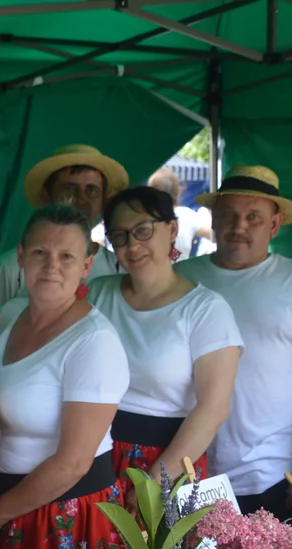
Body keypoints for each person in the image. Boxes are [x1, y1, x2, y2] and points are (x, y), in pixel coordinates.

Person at [179, 165, 292, 518]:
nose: (238, 226)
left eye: (253, 217)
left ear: (274, 224)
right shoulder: (180, 279)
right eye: (228, 214)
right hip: (182, 467)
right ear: (213, 218)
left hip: (270, 473)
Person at [0, 205, 129, 549]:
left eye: (66, 257)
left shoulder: (94, 341)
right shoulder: (11, 313)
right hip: (1, 506)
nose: (51, 266)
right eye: (41, 253)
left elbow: (73, 462)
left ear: (87, 264)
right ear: (21, 255)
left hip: (59, 516)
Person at [89, 186, 243, 495]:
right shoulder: (97, 293)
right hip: (92, 452)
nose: (132, 245)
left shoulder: (205, 310)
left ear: (171, 229)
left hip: (166, 459)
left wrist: (156, 479)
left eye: (143, 230)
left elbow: (213, 408)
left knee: (155, 544)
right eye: (119, 235)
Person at [0, 144, 128, 338]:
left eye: (92, 191)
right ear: (46, 195)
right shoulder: (9, 268)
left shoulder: (119, 269)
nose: (81, 199)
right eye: (69, 188)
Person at [147, 167, 213, 259]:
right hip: (180, 271)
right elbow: (214, 235)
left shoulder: (144, 217)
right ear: (177, 191)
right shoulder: (187, 215)